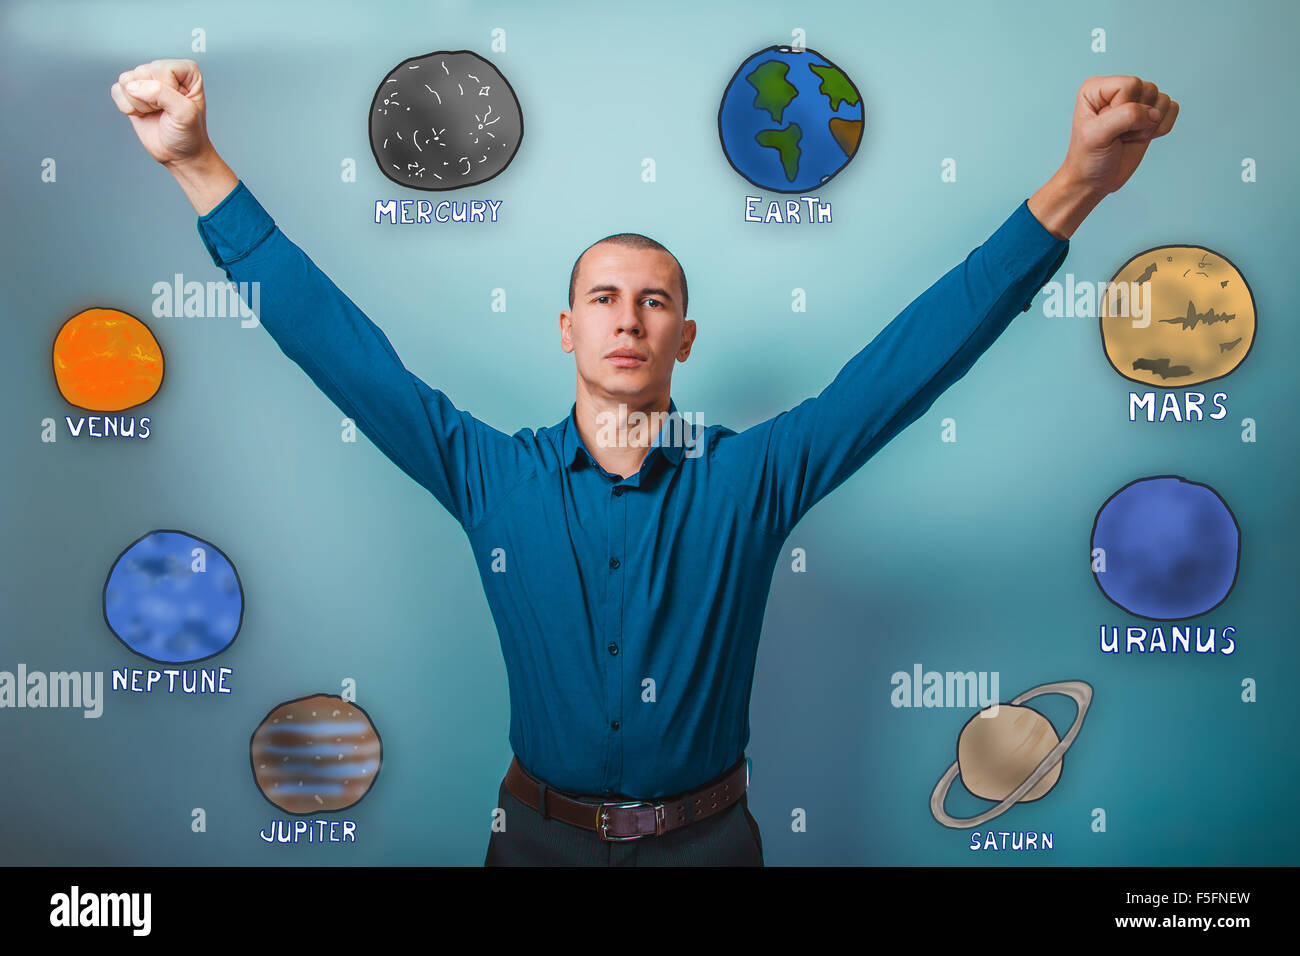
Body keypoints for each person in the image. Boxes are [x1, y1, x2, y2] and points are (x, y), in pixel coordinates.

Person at [110, 59, 1177, 866]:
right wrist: (198, 164)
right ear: (565, 330)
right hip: (531, 843)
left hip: (712, 848)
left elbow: (914, 355)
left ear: (684, 337)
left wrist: (1075, 185)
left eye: (655, 300)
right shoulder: (489, 476)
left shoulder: (753, 477)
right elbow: (338, 347)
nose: (629, 319)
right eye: (604, 300)